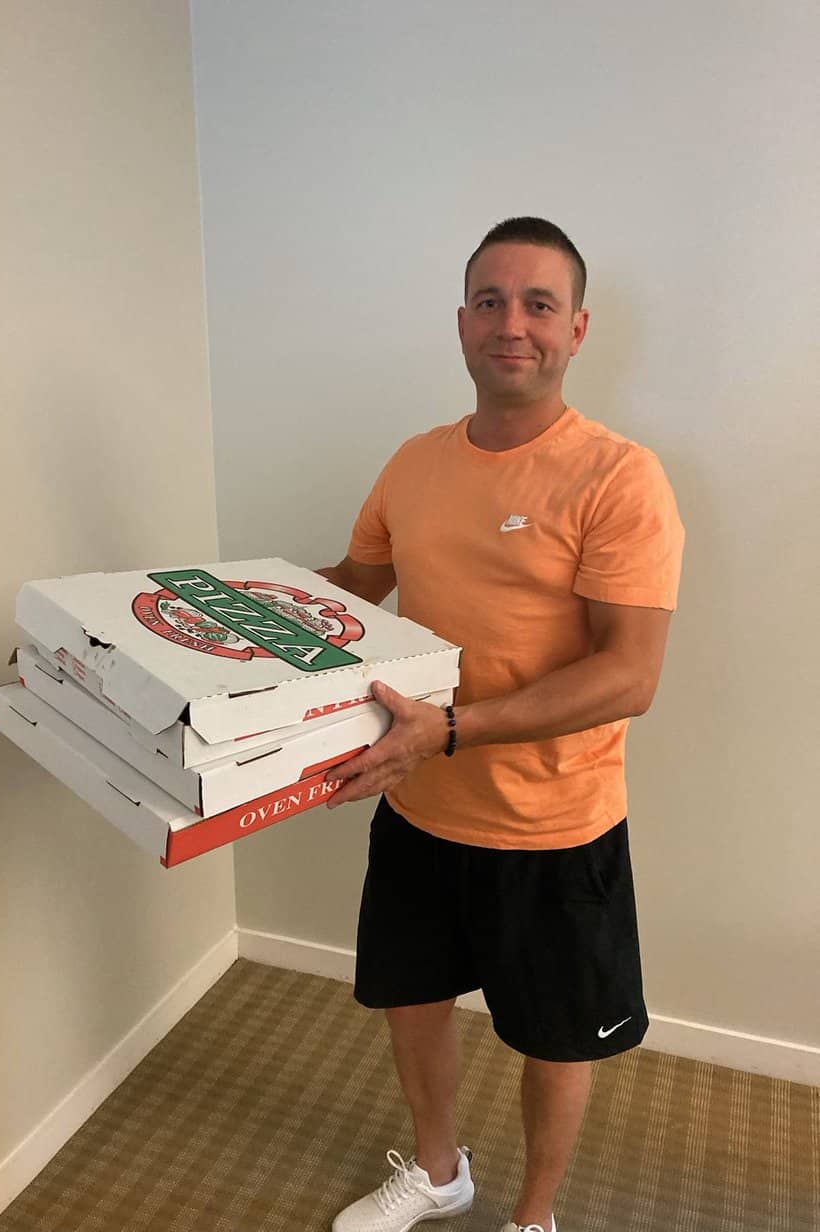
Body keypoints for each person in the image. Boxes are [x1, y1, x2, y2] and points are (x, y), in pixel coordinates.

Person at [316, 217, 685, 1232]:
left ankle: (534, 1215)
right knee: (411, 999)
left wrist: (450, 728)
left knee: (555, 1038)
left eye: (537, 304)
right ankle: (440, 1172)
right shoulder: (414, 462)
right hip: (419, 802)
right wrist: (198, 623)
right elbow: (350, 589)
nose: (510, 324)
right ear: (462, 323)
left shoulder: (620, 476)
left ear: (577, 328)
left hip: (552, 825)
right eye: (490, 301)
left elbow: (629, 674)